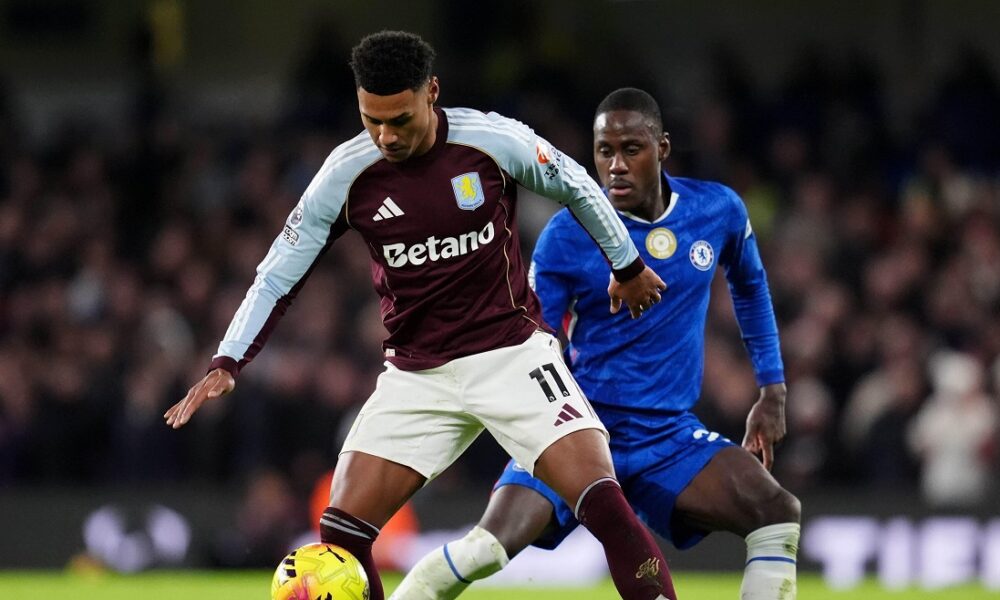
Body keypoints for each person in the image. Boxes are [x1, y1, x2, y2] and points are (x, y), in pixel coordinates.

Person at [163, 32, 676, 600]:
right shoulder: (346, 174)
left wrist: (627, 266)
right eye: (370, 120)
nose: (385, 136)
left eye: (400, 120)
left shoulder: (490, 140)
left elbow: (577, 184)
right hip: (417, 374)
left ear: (432, 93)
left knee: (602, 500)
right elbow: (279, 270)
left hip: (511, 354)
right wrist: (229, 358)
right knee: (339, 535)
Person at [390, 88, 801, 600]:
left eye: (632, 149)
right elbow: (534, 329)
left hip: (666, 436)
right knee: (486, 549)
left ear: (663, 148)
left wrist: (772, 389)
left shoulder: (717, 210)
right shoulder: (570, 233)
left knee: (777, 514)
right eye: (605, 151)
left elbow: (751, 286)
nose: (616, 165)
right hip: (576, 432)